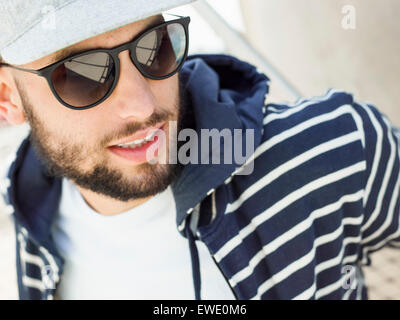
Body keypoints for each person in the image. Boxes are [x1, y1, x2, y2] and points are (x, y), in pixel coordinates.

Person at [0, 0, 399, 300]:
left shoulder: (324, 150)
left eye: (154, 47)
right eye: (81, 76)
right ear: (9, 99)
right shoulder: (27, 210)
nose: (142, 106)